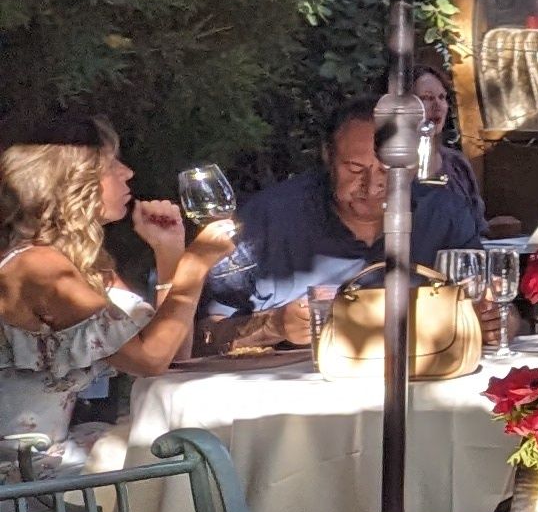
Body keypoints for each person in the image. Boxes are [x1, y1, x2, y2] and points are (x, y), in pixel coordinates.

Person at [0, 118, 231, 448]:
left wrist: (169, 254)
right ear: (70, 181)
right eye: (111, 164)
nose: (127, 172)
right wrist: (194, 269)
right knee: (201, 458)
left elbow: (172, 355)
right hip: (27, 482)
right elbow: (149, 361)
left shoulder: (85, 264)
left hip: (57, 461)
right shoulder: (38, 268)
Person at [206, 99, 487, 333]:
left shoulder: (444, 215)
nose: (373, 184)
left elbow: (486, 306)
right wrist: (272, 327)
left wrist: (495, 320)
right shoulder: (269, 218)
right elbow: (202, 334)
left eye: (389, 170)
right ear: (328, 157)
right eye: (355, 168)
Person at [408, 64, 485, 215]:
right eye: (427, 98)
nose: (438, 105)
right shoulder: (390, 165)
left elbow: (476, 220)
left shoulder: (457, 164)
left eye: (442, 97)